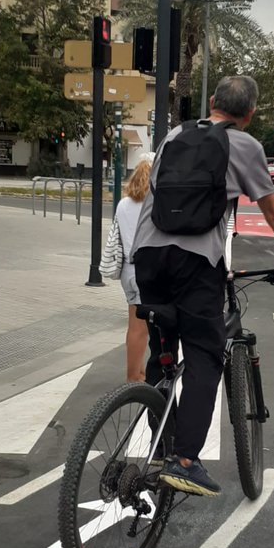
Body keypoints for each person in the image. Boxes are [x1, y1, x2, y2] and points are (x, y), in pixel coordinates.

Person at [131, 74, 274, 498]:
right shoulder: (246, 145)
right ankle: (183, 460)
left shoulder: (175, 135)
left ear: (212, 101)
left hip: (148, 256)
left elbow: (155, 195)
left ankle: (161, 449)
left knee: (162, 350)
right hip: (195, 264)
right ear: (249, 114)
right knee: (205, 357)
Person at [115, 153, 154, 382]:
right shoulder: (154, 203)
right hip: (146, 269)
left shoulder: (123, 204)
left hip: (128, 271)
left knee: (135, 325)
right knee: (143, 328)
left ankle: (138, 372)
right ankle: (133, 377)